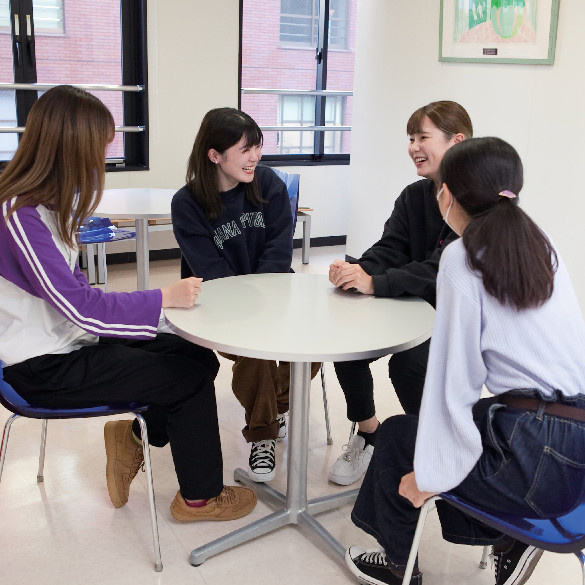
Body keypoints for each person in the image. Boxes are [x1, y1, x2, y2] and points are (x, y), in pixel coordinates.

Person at [0, 86, 257, 523]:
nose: (101, 160)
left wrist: (161, 317)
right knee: (186, 378)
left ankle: (133, 438)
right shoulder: (18, 216)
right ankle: (200, 498)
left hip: (69, 341)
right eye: (99, 148)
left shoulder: (46, 207)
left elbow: (79, 297)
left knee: (193, 354)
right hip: (39, 367)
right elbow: (80, 306)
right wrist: (162, 299)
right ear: (71, 147)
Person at [345, 136, 585, 585]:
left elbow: (453, 381)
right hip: (577, 453)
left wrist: (430, 475)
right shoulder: (541, 241)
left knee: (399, 437)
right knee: (471, 422)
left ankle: (400, 565)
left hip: (533, 456)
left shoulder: (462, 255)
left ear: (448, 193)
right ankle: (508, 541)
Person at [327, 101, 472, 486]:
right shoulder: (414, 195)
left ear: (457, 142)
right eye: (411, 138)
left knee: (407, 364)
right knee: (346, 340)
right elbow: (391, 247)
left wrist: (376, 283)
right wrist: (359, 269)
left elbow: (442, 270)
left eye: (423, 137)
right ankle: (370, 431)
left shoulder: (477, 203)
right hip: (406, 303)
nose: (413, 147)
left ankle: (431, 447)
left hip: (450, 315)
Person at [172, 107, 319, 483]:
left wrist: (267, 303)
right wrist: (251, 312)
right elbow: (210, 271)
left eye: (257, 147)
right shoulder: (187, 203)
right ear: (215, 155)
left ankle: (270, 408)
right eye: (244, 149)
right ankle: (263, 434)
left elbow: (278, 251)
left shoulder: (267, 184)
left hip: (275, 293)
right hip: (219, 304)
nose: (255, 156)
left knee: (316, 344)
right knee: (256, 357)